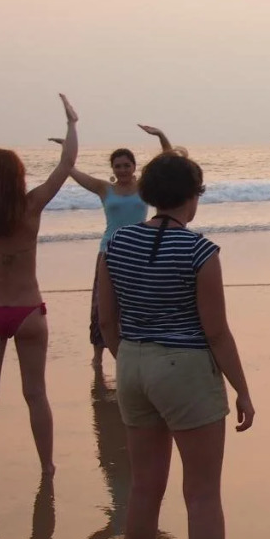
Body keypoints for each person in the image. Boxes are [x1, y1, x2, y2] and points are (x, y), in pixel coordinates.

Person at [97, 151, 255, 539]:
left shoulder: (115, 244)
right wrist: (242, 389)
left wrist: (129, 358)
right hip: (184, 368)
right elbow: (216, 332)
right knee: (202, 495)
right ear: (191, 196)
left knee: (144, 489)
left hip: (132, 363)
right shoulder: (200, 251)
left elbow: (107, 321)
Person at [0, 94, 79, 478]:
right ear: (19, 177)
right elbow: (66, 165)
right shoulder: (31, 206)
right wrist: (71, 124)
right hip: (28, 311)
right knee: (36, 394)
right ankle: (47, 466)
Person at [49, 125, 173, 367]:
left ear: (134, 167)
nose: (122, 169)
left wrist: (160, 135)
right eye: (118, 166)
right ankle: (98, 357)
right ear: (112, 169)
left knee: (137, 303)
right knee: (101, 305)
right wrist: (66, 148)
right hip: (109, 253)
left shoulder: (144, 186)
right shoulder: (104, 188)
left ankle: (138, 350)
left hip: (140, 252)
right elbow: (70, 169)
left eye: (127, 165)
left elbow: (167, 161)